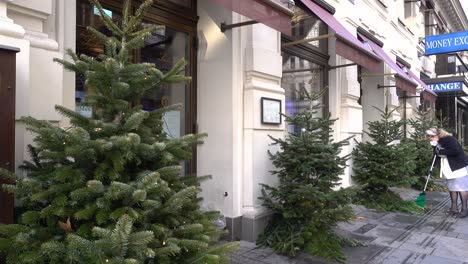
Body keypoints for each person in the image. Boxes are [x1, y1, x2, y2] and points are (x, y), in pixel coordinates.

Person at [426, 128, 468, 218]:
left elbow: (455, 150)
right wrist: (431, 166)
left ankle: (464, 209)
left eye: (431, 138)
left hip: (458, 167)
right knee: (452, 188)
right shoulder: (437, 142)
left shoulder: (449, 139)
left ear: (436, 135)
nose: (430, 140)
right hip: (449, 168)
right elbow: (436, 155)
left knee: (461, 188)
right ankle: (454, 208)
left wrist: (439, 150)